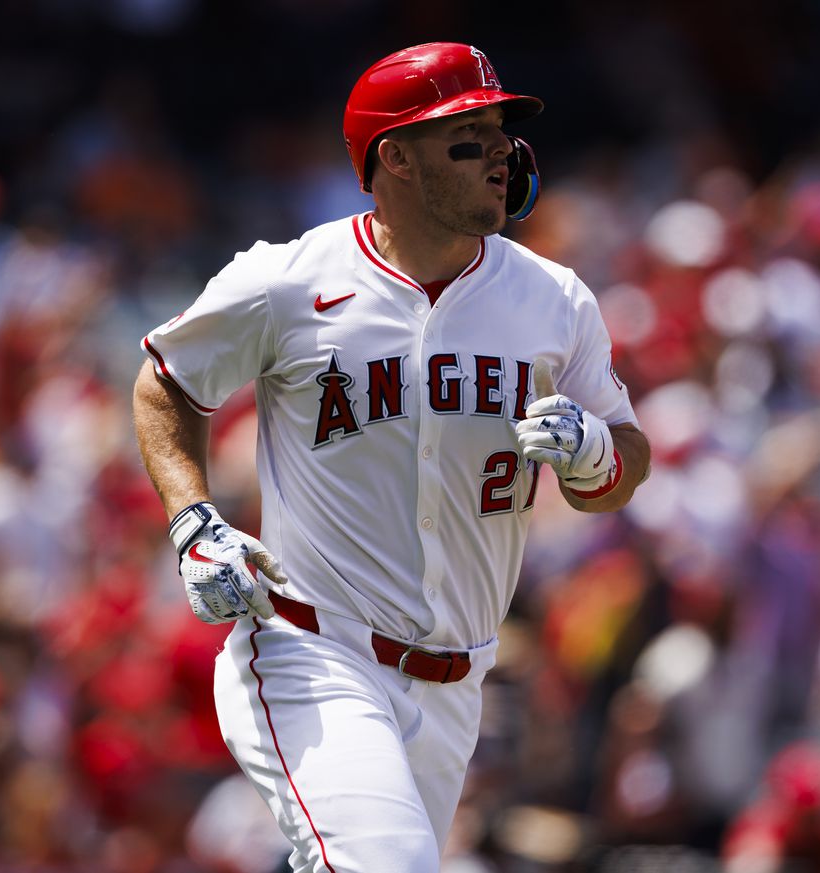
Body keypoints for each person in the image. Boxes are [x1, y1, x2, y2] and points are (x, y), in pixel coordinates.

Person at [132, 42, 651, 872]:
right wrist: (194, 521)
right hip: (311, 648)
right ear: (394, 159)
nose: (498, 156)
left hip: (457, 685)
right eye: (466, 137)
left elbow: (625, 461)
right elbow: (166, 382)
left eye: (499, 134)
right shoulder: (289, 281)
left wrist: (594, 459)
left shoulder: (554, 300)